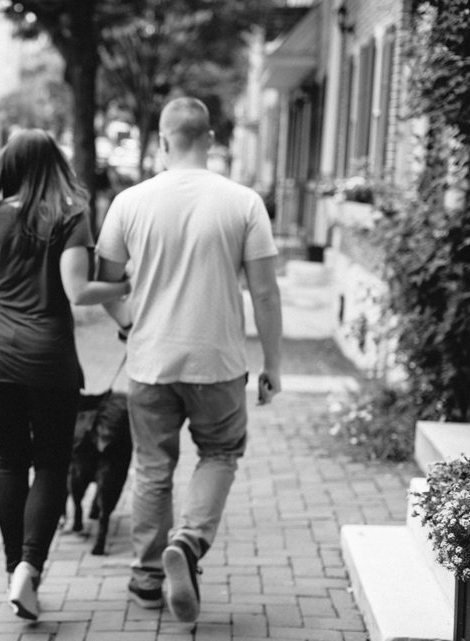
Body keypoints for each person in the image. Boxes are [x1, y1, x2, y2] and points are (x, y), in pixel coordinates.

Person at [95, 97, 283, 623]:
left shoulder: (130, 202)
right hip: (219, 362)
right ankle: (190, 542)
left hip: (150, 361)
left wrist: (127, 320)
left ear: (161, 140)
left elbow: (104, 285)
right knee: (219, 454)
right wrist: (274, 364)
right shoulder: (244, 203)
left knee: (153, 466)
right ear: (211, 139)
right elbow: (265, 293)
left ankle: (148, 575)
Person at [0, 129, 130, 621]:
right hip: (48, 360)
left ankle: (14, 567)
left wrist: (9, 298)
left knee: (10, 463)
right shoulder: (68, 218)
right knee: (52, 465)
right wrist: (125, 283)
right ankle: (29, 572)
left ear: (8, 167)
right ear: (55, 166)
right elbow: (77, 291)